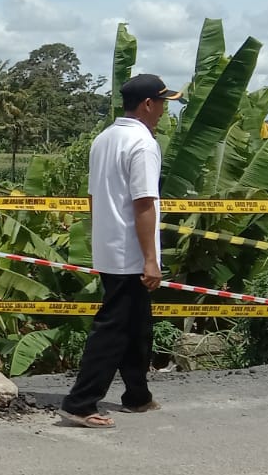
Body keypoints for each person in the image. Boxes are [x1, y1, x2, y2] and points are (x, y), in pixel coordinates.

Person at [59, 73, 184, 429]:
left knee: (137, 324)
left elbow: (94, 197)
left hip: (109, 246)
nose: (164, 111)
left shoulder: (105, 138)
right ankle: (79, 402)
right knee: (113, 329)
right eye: (162, 103)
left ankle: (137, 395)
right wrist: (149, 259)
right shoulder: (142, 144)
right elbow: (144, 203)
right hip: (130, 251)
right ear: (148, 104)